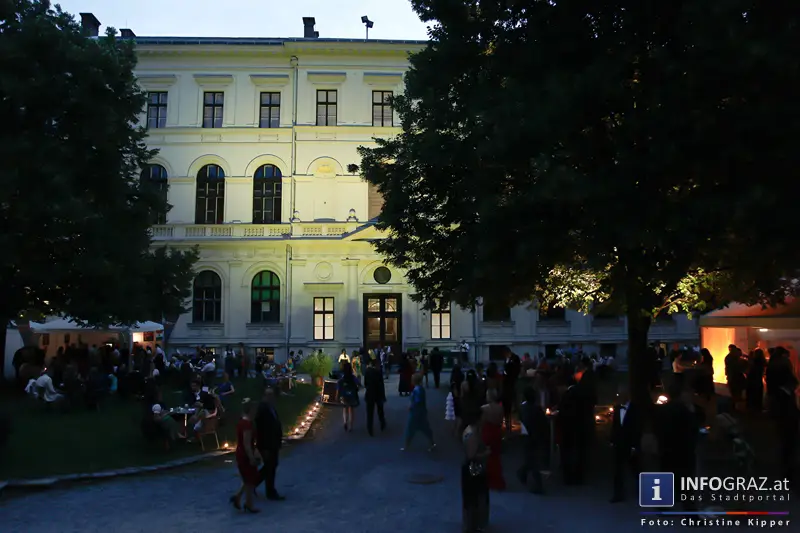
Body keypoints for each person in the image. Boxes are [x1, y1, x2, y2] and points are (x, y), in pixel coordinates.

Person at [609, 386, 643, 503]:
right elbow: (615, 426)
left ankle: (642, 491)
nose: (619, 397)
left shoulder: (635, 409)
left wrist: (635, 445)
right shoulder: (618, 408)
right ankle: (618, 494)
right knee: (618, 470)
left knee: (635, 469)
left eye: (621, 395)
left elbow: (637, 428)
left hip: (630, 444)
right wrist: (612, 441)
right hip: (619, 444)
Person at [461, 408, 490, 532]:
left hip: (473, 469)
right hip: (473, 470)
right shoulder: (472, 434)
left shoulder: (473, 431)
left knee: (474, 498)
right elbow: (471, 455)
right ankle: (473, 525)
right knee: (475, 498)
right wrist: (486, 453)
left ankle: (474, 523)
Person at [230, 398, 261, 513]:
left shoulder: (242, 422)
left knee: (248, 478)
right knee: (249, 480)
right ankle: (249, 504)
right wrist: (252, 457)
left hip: (242, 452)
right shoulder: (247, 424)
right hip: (245, 454)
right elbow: (247, 444)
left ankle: (238, 498)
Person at [255, 387, 285, 500]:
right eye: (269, 395)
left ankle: (255, 483)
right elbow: (261, 429)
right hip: (267, 444)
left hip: (274, 443)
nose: (271, 397)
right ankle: (269, 490)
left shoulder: (271, 408)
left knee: (271, 465)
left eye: (272, 395)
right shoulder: (262, 409)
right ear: (264, 396)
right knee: (270, 466)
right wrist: (262, 446)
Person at [516, 386, 548, 494]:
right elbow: (544, 423)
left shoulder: (523, 408)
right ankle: (536, 484)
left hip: (526, 436)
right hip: (535, 436)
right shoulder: (536, 409)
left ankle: (522, 473)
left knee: (530, 458)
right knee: (534, 461)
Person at [402, 373, 436, 451]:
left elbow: (417, 401)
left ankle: (407, 445)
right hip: (421, 412)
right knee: (425, 428)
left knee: (410, 428)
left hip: (416, 412)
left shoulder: (417, 390)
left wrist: (411, 406)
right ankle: (432, 442)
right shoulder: (420, 389)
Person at [481, 388, 506, 491]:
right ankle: (497, 479)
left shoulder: (484, 408)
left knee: (486, 456)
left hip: (487, 432)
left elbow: (482, 422)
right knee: (496, 456)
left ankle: (488, 479)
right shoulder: (501, 408)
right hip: (496, 432)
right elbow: (501, 421)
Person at [363, 357, 387, 436]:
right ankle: (382, 423)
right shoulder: (378, 372)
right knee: (380, 410)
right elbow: (381, 385)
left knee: (370, 412)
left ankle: (370, 428)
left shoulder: (367, 371)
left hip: (370, 393)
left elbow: (365, 383)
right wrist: (383, 396)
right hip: (378, 393)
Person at [338, 362, 361, 431]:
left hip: (344, 395)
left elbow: (338, 386)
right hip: (352, 395)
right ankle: (350, 426)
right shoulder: (353, 377)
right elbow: (358, 384)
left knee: (345, 409)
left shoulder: (342, 378)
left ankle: (345, 422)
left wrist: (337, 395)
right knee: (351, 410)